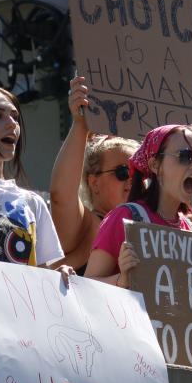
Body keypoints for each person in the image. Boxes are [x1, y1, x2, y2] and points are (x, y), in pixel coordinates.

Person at [85, 109, 192, 287]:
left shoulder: (187, 227)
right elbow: (87, 287)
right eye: (185, 156)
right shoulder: (125, 217)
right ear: (155, 165)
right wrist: (122, 280)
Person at [0, 87, 70, 333]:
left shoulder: (32, 203)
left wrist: (59, 278)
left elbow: (40, 280)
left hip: (24, 349)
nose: (11, 125)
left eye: (15, 117)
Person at [49, 76, 138, 274]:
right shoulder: (90, 225)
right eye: (123, 172)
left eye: (138, 173)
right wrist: (81, 123)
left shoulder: (154, 228)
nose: (132, 180)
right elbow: (61, 196)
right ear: (94, 182)